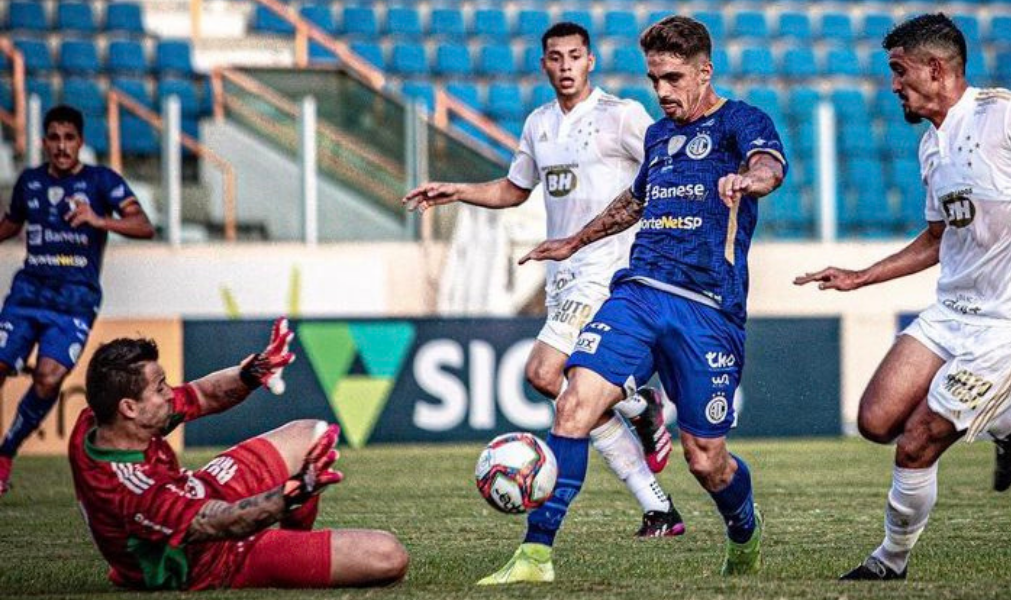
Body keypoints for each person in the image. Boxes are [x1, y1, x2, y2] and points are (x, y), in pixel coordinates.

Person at [794, 13, 1011, 581]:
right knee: (875, 421)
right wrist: (862, 276)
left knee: (915, 444)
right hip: (953, 310)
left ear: (936, 69)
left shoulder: (1007, 112)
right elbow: (937, 239)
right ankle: (1010, 421)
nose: (893, 85)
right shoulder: (931, 147)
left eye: (899, 71)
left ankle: (890, 561)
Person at [476, 15, 787, 584]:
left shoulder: (742, 121)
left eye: (672, 78)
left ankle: (744, 527)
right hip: (638, 294)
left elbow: (769, 165)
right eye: (654, 80)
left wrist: (752, 181)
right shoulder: (658, 136)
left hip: (707, 310)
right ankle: (535, 556)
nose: (663, 92)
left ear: (703, 71)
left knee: (705, 459)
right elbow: (634, 200)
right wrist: (574, 240)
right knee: (573, 403)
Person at [403, 22, 683, 537]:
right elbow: (515, 189)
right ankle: (655, 492)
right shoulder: (538, 124)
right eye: (555, 57)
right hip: (563, 274)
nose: (566, 66)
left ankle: (636, 419)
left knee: (542, 371)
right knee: (561, 386)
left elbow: (666, 169)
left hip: (608, 273)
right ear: (544, 64)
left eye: (575, 56)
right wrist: (456, 191)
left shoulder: (620, 117)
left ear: (590, 60)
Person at [68, 319, 409, 590]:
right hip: (212, 559)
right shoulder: (134, 493)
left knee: (312, 435)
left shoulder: (98, 421)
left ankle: (294, 546)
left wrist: (250, 373)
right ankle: (282, 554)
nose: (170, 394)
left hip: (200, 492)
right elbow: (222, 521)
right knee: (389, 556)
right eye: (160, 388)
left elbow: (201, 394)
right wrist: (290, 495)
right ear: (128, 407)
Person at [0, 105, 154, 496]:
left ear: (81, 143)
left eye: (69, 138)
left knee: (49, 379)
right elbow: (12, 223)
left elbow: (144, 225)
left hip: (74, 301)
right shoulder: (30, 182)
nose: (62, 146)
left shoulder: (102, 182)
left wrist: (100, 220)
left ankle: (5, 454)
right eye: (54, 138)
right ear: (44, 142)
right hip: (28, 293)